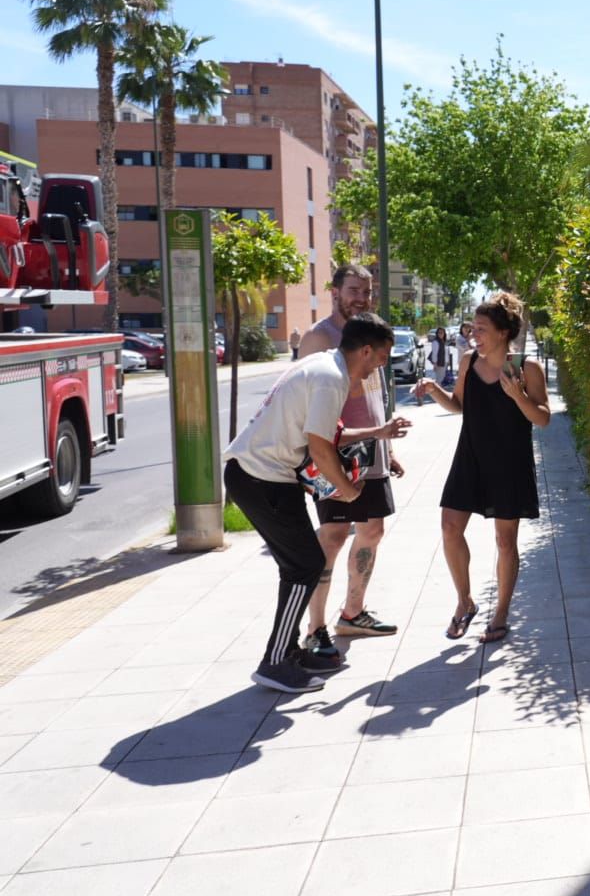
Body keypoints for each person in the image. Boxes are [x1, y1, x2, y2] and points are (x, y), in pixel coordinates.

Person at [224, 313, 394, 693]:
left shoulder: (323, 367)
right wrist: (348, 491)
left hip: (261, 476)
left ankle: (285, 652)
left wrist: (378, 434)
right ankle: (275, 662)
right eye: (380, 358)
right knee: (305, 564)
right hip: (260, 478)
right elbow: (319, 446)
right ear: (365, 351)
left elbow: (329, 436)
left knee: (300, 565)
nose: (379, 368)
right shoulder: (331, 379)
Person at [415, 292, 551, 644]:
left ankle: (501, 612)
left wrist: (518, 396)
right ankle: (465, 602)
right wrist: (433, 390)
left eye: (481, 328)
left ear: (503, 332)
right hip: (470, 457)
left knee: (505, 541)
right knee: (449, 528)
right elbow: (459, 404)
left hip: (509, 463)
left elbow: (544, 419)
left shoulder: (525, 368)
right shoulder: (467, 361)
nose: (474, 333)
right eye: (473, 327)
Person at [295, 264, 403, 663]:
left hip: (372, 450)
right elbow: (306, 402)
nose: (361, 297)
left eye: (367, 291)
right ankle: (314, 628)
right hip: (334, 453)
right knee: (334, 536)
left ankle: (353, 613)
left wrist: (387, 447)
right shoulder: (319, 338)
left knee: (372, 531)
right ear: (335, 291)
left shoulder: (371, 332)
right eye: (354, 289)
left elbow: (376, 392)